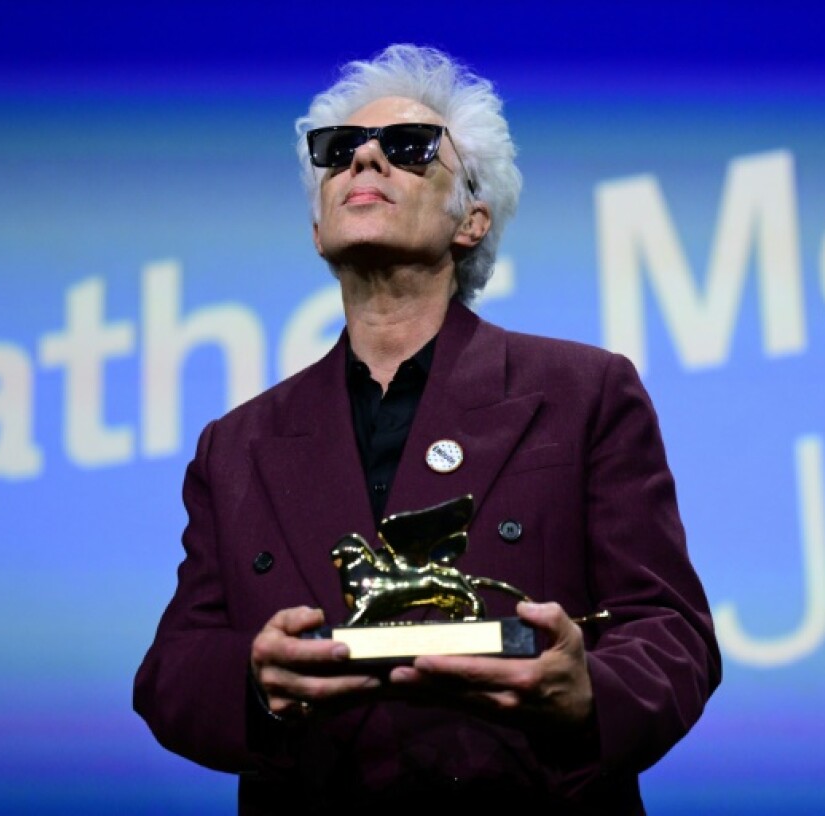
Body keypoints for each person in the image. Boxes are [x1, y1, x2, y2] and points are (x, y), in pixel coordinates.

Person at [134, 44, 721, 815]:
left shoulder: (583, 393)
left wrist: (589, 693)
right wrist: (254, 679)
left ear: (471, 219)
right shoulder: (235, 445)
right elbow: (173, 668)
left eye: (408, 148)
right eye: (338, 152)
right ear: (317, 227)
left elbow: (670, 629)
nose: (365, 158)